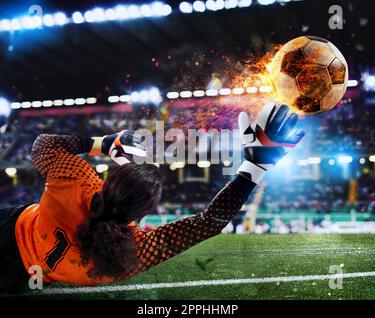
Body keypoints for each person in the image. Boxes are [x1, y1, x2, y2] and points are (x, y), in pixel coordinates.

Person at [0, 103, 304, 293]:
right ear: (144, 213)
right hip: (19, 275)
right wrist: (255, 166)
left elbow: (43, 145)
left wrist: (103, 143)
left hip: (11, 223)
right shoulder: (129, 256)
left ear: (108, 181)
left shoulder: (79, 179)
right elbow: (210, 222)